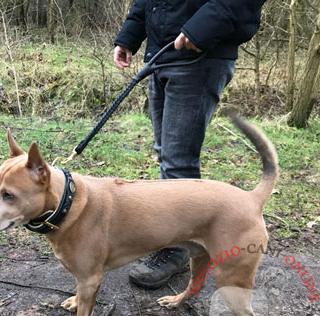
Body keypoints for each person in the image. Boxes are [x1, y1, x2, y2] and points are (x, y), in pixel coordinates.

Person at [113, 0, 266, 289]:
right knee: (165, 154)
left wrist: (199, 29)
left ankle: (179, 249)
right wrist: (129, 36)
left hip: (200, 55)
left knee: (177, 160)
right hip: (161, 56)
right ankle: (174, 236)